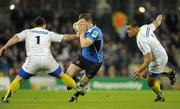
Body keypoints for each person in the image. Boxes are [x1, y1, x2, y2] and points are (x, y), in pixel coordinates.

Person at [0, 16, 80, 103]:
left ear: (34, 25)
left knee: (18, 79)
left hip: (33, 60)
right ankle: (78, 89)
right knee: (63, 75)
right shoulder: (48, 33)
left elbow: (16, 38)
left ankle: (5, 99)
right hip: (47, 59)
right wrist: (76, 35)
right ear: (44, 25)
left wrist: (5, 46)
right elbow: (64, 37)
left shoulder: (28, 32)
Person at [126, 14, 176, 102]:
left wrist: (139, 71)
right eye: (127, 29)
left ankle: (160, 96)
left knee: (150, 82)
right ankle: (169, 74)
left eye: (130, 29)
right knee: (145, 75)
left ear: (136, 28)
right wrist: (159, 17)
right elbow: (156, 23)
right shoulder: (145, 27)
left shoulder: (140, 40)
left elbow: (148, 59)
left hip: (158, 60)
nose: (128, 31)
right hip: (160, 54)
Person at [66, 13, 103, 102]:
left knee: (82, 83)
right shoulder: (85, 29)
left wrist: (81, 33)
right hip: (83, 58)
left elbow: (84, 44)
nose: (80, 24)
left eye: (82, 22)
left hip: (94, 62)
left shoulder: (96, 32)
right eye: (80, 22)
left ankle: (78, 93)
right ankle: (79, 83)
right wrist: (77, 28)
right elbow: (77, 31)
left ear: (88, 21)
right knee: (68, 75)